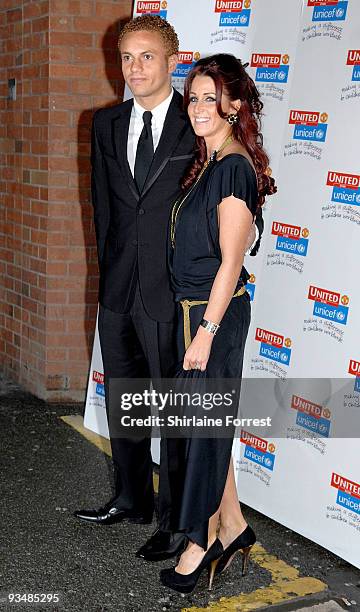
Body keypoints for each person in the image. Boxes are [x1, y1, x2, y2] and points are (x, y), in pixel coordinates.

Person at [74, 16, 263, 563]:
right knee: (125, 402)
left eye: (146, 56)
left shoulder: (196, 125)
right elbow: (105, 210)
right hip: (118, 291)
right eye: (126, 57)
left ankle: (176, 523)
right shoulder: (104, 124)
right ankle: (130, 498)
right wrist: (108, 278)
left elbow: (222, 210)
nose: (134, 68)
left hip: (172, 296)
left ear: (172, 61)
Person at [159, 54, 276, 593]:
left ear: (234, 106)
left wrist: (205, 333)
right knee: (206, 427)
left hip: (213, 318)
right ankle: (235, 527)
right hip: (195, 314)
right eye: (195, 96)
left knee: (204, 433)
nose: (200, 106)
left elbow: (231, 261)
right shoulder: (208, 160)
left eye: (211, 97)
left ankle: (199, 543)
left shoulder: (231, 166)